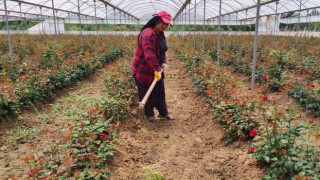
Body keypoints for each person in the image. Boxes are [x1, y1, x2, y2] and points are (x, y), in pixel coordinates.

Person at [132, 11, 174, 122]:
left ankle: (164, 113)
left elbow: (162, 51)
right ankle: (149, 115)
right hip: (143, 69)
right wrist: (157, 68)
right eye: (162, 23)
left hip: (155, 67)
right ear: (156, 22)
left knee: (159, 91)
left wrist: (163, 63)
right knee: (146, 91)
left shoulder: (160, 34)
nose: (164, 26)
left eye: (166, 25)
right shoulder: (147, 33)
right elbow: (149, 55)